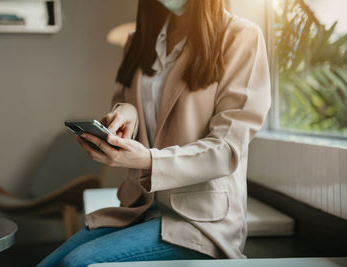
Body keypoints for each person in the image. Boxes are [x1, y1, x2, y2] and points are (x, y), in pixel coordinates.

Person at [37, 0, 271, 266]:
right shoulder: (137, 40)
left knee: (77, 263)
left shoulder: (241, 36)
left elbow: (227, 148)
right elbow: (132, 104)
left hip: (200, 222)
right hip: (139, 209)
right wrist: (126, 112)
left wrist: (148, 160)